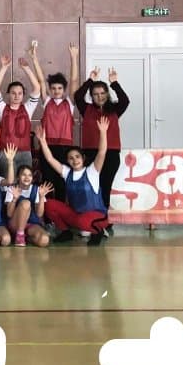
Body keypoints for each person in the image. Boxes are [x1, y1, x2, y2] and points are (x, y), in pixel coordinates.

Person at [39, 118, 111, 245]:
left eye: (77, 157)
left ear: (83, 158)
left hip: (96, 215)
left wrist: (103, 132)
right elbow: (50, 159)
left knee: (82, 222)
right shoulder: (67, 173)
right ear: (67, 161)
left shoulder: (92, 171)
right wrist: (43, 141)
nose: (75, 160)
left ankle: (98, 231)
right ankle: (65, 232)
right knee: (48, 204)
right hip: (77, 215)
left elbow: (102, 152)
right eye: (71, 158)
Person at [74, 66, 130, 223]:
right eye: (96, 94)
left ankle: (103, 220)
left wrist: (114, 83)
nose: (99, 97)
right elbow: (78, 96)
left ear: (107, 94)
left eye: (102, 93)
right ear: (91, 96)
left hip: (111, 154)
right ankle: (90, 218)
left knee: (105, 186)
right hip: (90, 153)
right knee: (91, 186)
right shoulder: (87, 109)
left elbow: (125, 100)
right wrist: (90, 80)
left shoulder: (115, 110)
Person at [32, 43, 79, 200]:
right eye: (53, 88)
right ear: (50, 89)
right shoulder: (47, 102)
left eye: (59, 88)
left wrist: (73, 57)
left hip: (65, 148)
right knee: (47, 180)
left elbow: (74, 80)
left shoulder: (69, 103)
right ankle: (47, 212)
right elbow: (40, 80)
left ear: (64, 90)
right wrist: (34, 58)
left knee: (62, 181)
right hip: (47, 146)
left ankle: (60, 210)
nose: (56, 91)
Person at [0, 54, 42, 177]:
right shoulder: (2, 108)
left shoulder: (28, 108)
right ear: (8, 94)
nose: (16, 96)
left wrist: (26, 68)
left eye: (20, 93)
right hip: (6, 153)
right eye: (13, 93)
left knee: (24, 183)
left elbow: (37, 88)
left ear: (23, 95)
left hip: (25, 153)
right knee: (8, 183)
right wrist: (4, 67)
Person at [4, 164, 53, 248]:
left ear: (32, 178)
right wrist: (14, 199)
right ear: (18, 177)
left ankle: (27, 238)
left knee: (44, 240)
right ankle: (20, 235)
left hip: (31, 223)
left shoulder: (37, 189)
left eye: (29, 175)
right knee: (26, 203)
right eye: (24, 175)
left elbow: (39, 214)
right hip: (15, 224)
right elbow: (9, 214)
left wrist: (41, 197)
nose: (27, 177)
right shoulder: (12, 189)